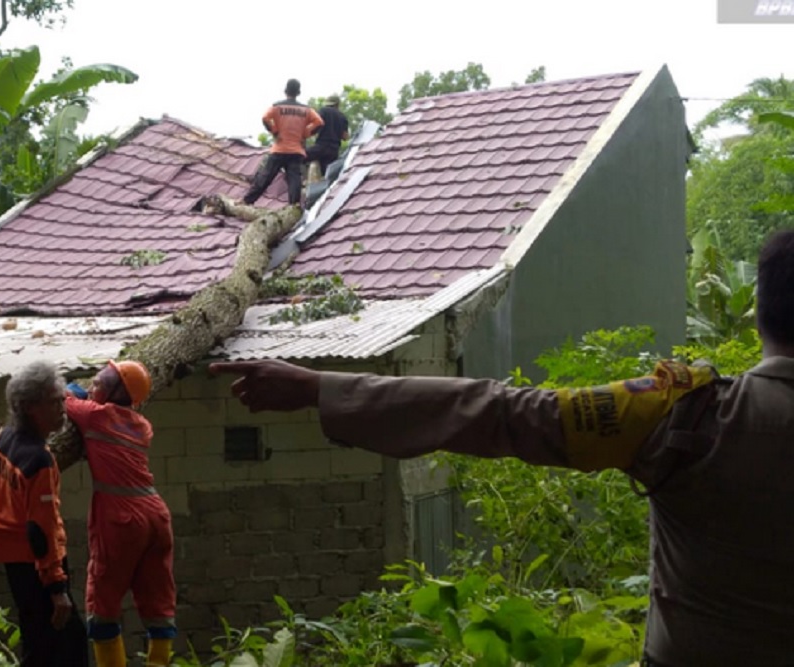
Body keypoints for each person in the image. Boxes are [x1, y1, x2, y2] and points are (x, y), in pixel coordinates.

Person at [210, 229, 794, 667]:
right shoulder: (686, 410)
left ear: (760, 312)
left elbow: (503, 412)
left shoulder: (682, 411)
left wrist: (320, 387)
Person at [0, 360, 88, 667]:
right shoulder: (40, 461)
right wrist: (57, 588)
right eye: (54, 402)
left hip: (16, 561)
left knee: (37, 639)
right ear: (30, 407)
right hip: (38, 564)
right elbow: (41, 530)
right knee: (69, 645)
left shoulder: (7, 437)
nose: (62, 407)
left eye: (62, 399)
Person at [63, 360, 176, 667]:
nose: (92, 387)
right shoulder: (142, 426)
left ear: (114, 392)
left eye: (98, 382)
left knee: (103, 599)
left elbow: (63, 399)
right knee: (157, 595)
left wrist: (74, 389)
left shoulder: (96, 416)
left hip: (122, 517)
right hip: (156, 515)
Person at [242, 78, 324, 207]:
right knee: (294, 180)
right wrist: (305, 133)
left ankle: (247, 201)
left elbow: (265, 118)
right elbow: (319, 122)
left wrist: (275, 131)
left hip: (279, 149)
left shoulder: (277, 107)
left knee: (266, 177)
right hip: (296, 151)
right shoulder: (306, 110)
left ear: (286, 91)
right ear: (298, 93)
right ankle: (294, 206)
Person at [305, 94, 349, 178]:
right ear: (337, 104)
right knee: (327, 175)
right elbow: (345, 137)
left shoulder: (323, 111)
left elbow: (315, 127)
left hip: (321, 147)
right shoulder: (342, 117)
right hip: (334, 151)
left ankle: (301, 181)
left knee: (298, 156)